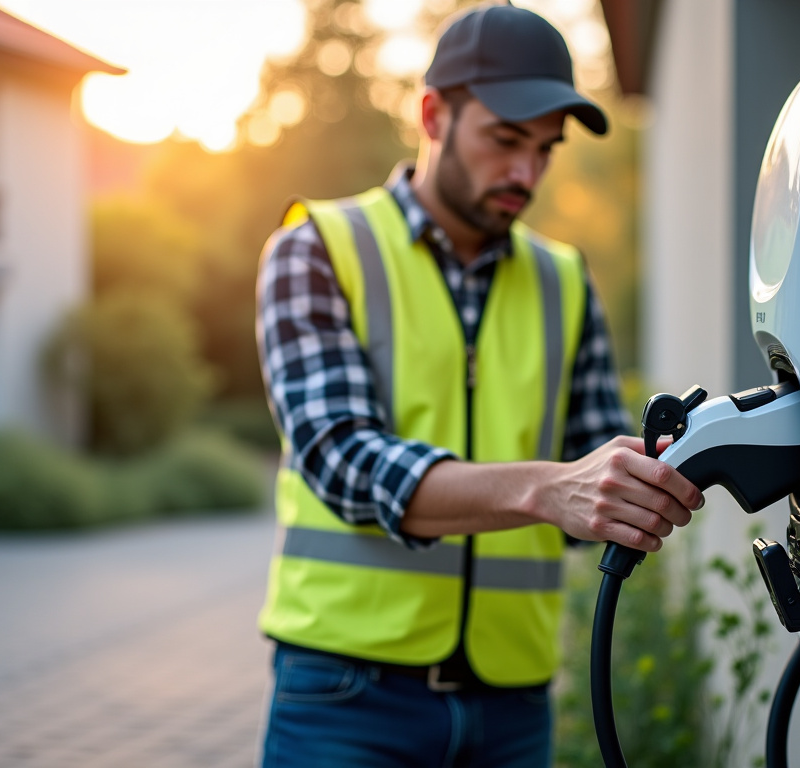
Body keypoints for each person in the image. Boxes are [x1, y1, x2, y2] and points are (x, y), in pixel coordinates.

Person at [254, 4, 702, 766]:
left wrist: (645, 477)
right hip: (345, 695)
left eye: (544, 149)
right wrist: (547, 488)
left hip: (513, 704)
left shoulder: (564, 279)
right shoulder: (319, 248)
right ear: (434, 115)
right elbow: (344, 460)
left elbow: (585, 489)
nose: (526, 173)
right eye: (504, 140)